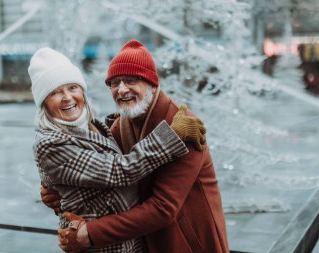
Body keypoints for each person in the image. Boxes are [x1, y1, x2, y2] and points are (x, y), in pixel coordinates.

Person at [54, 40, 229, 253]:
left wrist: (90, 234)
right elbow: (101, 172)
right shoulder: (121, 125)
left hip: (188, 242)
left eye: (130, 80)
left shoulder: (183, 126)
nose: (121, 89)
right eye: (114, 83)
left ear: (152, 84)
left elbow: (163, 208)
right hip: (147, 240)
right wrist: (55, 185)